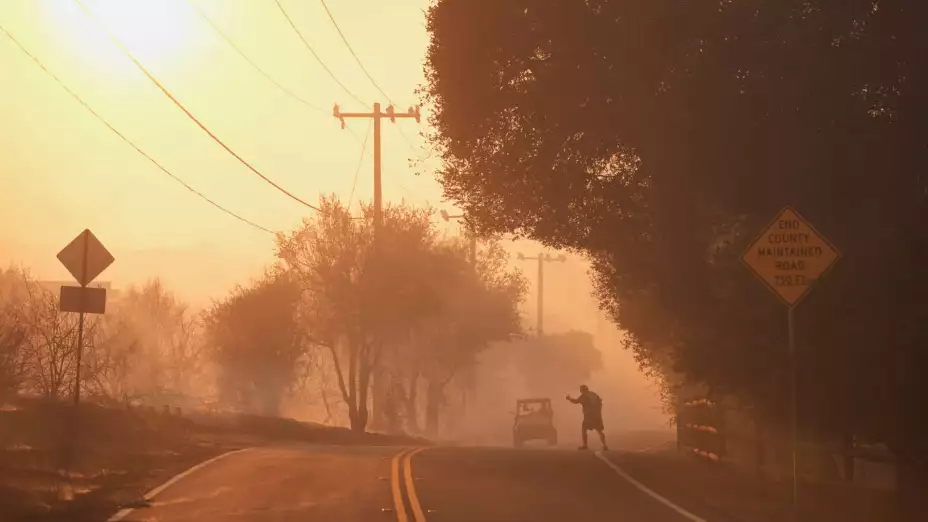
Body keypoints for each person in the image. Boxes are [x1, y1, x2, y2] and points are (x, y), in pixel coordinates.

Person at [566, 385, 608, 451]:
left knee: (584, 429)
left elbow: (576, 401)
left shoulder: (584, 395)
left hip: (589, 416)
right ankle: (604, 445)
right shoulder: (593, 394)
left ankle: (585, 445)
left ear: (582, 390)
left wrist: (569, 398)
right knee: (599, 431)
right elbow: (600, 402)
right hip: (597, 416)